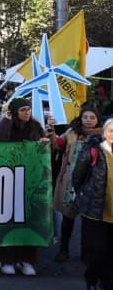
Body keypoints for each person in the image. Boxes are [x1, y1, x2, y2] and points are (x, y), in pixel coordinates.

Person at [0, 97, 49, 276]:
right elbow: (0, 148)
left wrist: (45, 143)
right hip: (9, 179)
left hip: (31, 180)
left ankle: (26, 259)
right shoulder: (5, 126)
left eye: (29, 109)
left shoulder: (36, 127)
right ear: (15, 111)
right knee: (9, 220)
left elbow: (45, 150)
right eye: (23, 110)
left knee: (30, 219)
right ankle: (7, 259)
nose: (27, 113)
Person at [51, 107, 102, 262]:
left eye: (92, 117)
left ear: (97, 120)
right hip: (70, 179)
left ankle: (87, 252)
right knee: (68, 216)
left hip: (94, 181)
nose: (88, 120)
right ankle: (64, 249)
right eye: (85, 117)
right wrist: (51, 134)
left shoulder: (104, 135)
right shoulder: (72, 132)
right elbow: (59, 144)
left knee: (89, 220)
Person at [71, 118, 113, 290]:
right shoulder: (94, 150)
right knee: (97, 252)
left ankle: (108, 285)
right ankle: (91, 284)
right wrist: (85, 196)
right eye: (111, 130)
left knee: (112, 253)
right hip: (95, 212)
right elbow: (77, 176)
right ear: (104, 132)